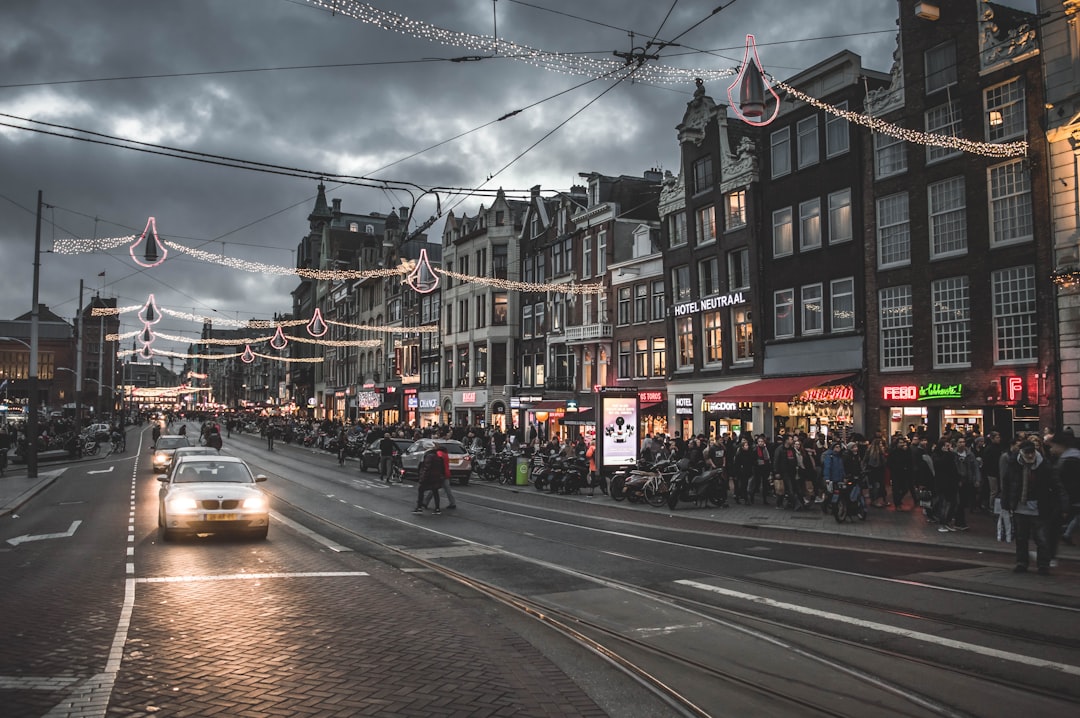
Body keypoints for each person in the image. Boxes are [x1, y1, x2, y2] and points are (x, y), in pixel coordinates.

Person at [1001, 440, 1068, 574]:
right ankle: (1022, 562)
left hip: (1039, 506)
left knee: (1041, 538)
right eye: (1027, 453)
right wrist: (1006, 503)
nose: (1030, 456)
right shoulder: (1014, 464)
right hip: (1020, 506)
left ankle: (1043, 565)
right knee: (1021, 538)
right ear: (1021, 452)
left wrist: (1063, 505)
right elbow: (1007, 484)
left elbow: (1057, 486)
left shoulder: (1044, 465)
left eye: (1032, 453)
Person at [414, 445, 447, 514]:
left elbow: (426, 468)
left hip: (429, 477)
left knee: (421, 490)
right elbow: (442, 468)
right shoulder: (438, 456)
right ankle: (437, 509)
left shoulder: (429, 456)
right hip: (436, 477)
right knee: (435, 492)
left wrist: (422, 478)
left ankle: (419, 508)